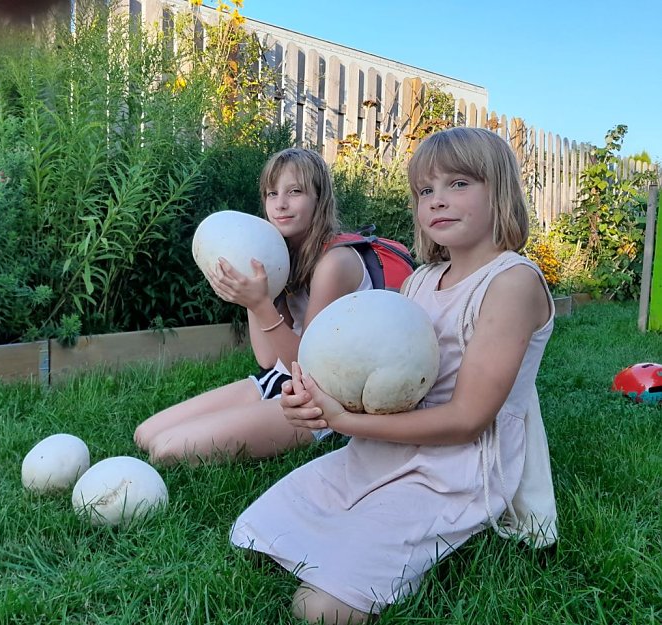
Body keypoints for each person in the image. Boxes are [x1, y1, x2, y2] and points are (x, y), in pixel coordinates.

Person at [230, 127, 558, 625]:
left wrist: (346, 423)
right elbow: (378, 369)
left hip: (456, 469)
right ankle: (375, 536)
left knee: (319, 609)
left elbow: (467, 420)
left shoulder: (511, 282)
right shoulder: (423, 280)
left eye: (459, 184)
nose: (438, 201)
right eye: (426, 191)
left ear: (501, 192)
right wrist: (316, 398)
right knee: (254, 534)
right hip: (385, 447)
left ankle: (431, 545)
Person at [134, 147, 376, 464]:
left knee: (167, 450)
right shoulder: (281, 254)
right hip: (282, 379)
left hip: (323, 398)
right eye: (271, 193)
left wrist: (260, 303)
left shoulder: (335, 263)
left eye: (295, 191)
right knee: (145, 435)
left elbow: (308, 367)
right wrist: (252, 295)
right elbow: (267, 358)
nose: (281, 204)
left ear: (320, 199)